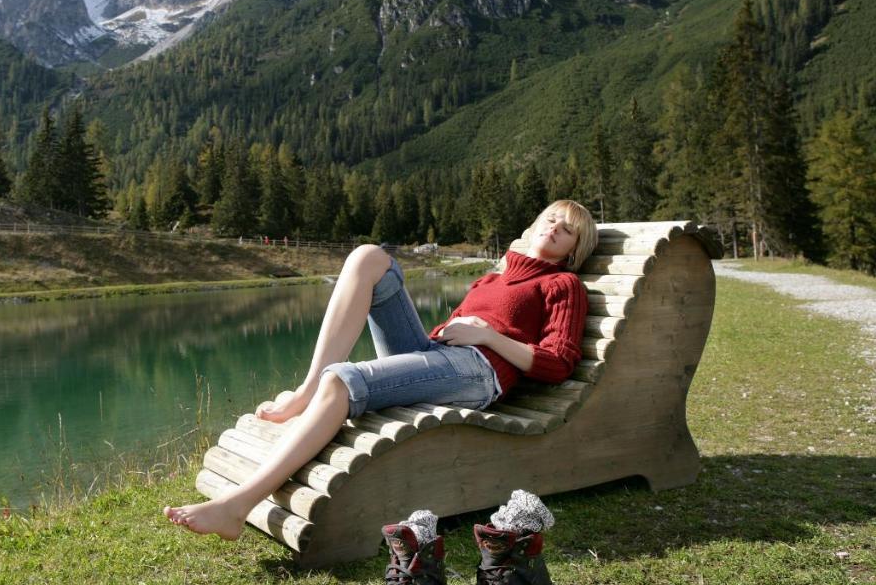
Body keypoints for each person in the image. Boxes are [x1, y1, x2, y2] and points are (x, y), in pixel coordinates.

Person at [163, 199, 598, 541]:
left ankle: (236, 507)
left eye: (568, 230)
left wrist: (489, 338)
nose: (555, 227)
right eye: (552, 219)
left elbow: (558, 362)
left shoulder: (563, 285)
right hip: (441, 352)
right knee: (369, 257)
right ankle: (308, 389)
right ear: (535, 224)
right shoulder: (492, 278)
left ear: (574, 250)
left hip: (478, 370)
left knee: (345, 379)